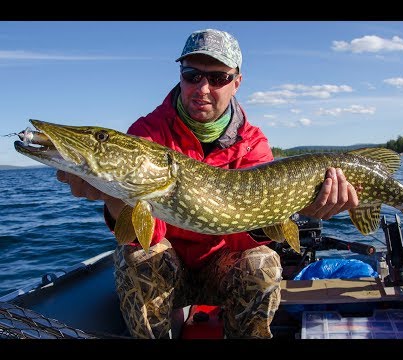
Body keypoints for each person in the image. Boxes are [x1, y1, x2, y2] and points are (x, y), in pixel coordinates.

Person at [56, 28, 359, 339]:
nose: (202, 88)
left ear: (236, 82)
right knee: (137, 258)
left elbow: (243, 241)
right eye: (192, 75)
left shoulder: (253, 144)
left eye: (217, 78)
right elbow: (147, 237)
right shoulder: (148, 133)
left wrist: (297, 209)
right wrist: (114, 197)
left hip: (220, 266)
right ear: (180, 75)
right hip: (169, 266)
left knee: (262, 264)